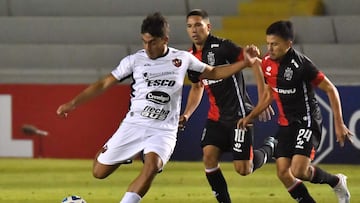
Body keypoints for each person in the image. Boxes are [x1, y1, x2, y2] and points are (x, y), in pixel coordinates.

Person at [56, 12, 259, 203]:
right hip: (134, 124)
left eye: (152, 42)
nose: (147, 47)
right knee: (99, 172)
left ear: (164, 40)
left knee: (152, 166)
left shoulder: (182, 59)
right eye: (144, 42)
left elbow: (213, 72)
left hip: (163, 130)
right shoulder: (134, 61)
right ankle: (126, 155)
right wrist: (73, 103)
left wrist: (244, 63)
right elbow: (104, 84)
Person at [237, 20, 353, 203]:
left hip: (307, 121)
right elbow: (269, 94)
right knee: (283, 172)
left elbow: (331, 89)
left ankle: (336, 181)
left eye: (274, 44)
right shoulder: (266, 63)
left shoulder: (302, 65)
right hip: (285, 124)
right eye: (268, 43)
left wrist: (339, 123)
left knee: (299, 170)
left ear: (288, 43)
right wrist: (250, 116)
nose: (270, 48)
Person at [179, 9, 276, 203]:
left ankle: (270, 147)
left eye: (198, 25)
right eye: (190, 26)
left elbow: (255, 62)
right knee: (208, 156)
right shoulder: (190, 56)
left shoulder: (223, 47)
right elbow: (197, 87)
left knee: (243, 169)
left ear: (208, 27)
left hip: (239, 116)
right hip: (216, 117)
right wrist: (187, 114)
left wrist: (263, 96)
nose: (194, 30)